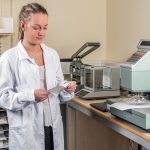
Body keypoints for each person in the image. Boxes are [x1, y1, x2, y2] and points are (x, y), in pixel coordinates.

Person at [0, 3, 76, 150]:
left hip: (52, 128)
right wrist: (30, 96)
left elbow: (59, 93)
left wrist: (67, 89)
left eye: (45, 27)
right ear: (23, 25)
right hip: (27, 133)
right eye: (36, 27)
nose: (41, 32)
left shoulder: (52, 55)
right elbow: (3, 98)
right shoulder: (8, 58)